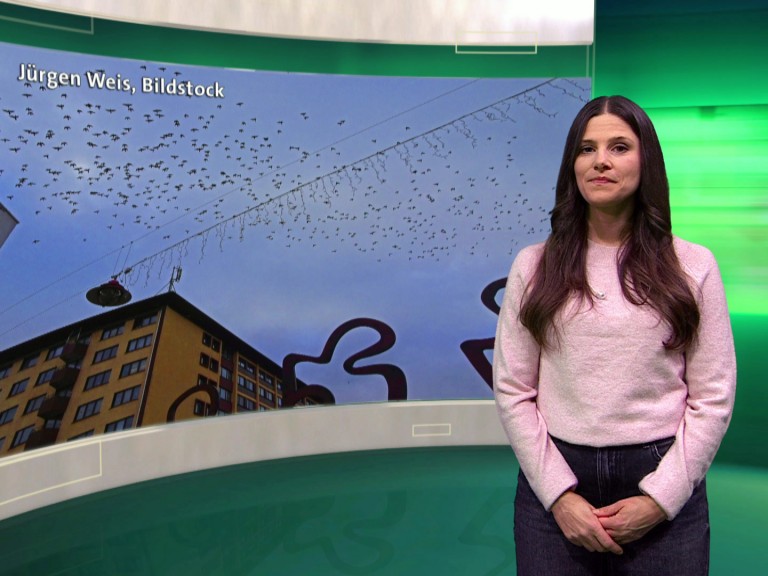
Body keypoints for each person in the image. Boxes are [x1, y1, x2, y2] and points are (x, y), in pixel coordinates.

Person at [492, 95, 736, 575]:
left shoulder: (694, 265)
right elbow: (513, 389)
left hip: (663, 473)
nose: (600, 161)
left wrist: (660, 499)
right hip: (556, 479)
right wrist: (560, 497)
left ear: (647, 161)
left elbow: (713, 396)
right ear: (572, 165)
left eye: (619, 147)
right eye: (587, 149)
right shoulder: (533, 265)